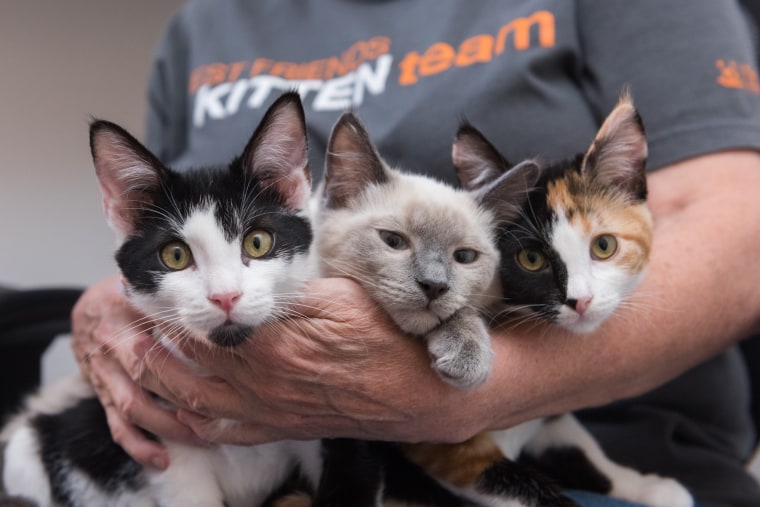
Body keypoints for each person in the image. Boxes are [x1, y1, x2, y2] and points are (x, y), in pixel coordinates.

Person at [71, 1, 760, 506]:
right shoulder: (201, 26)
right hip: (247, 462)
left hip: (600, 442)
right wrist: (108, 314)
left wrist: (465, 397)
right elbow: (161, 231)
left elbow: (743, 229)